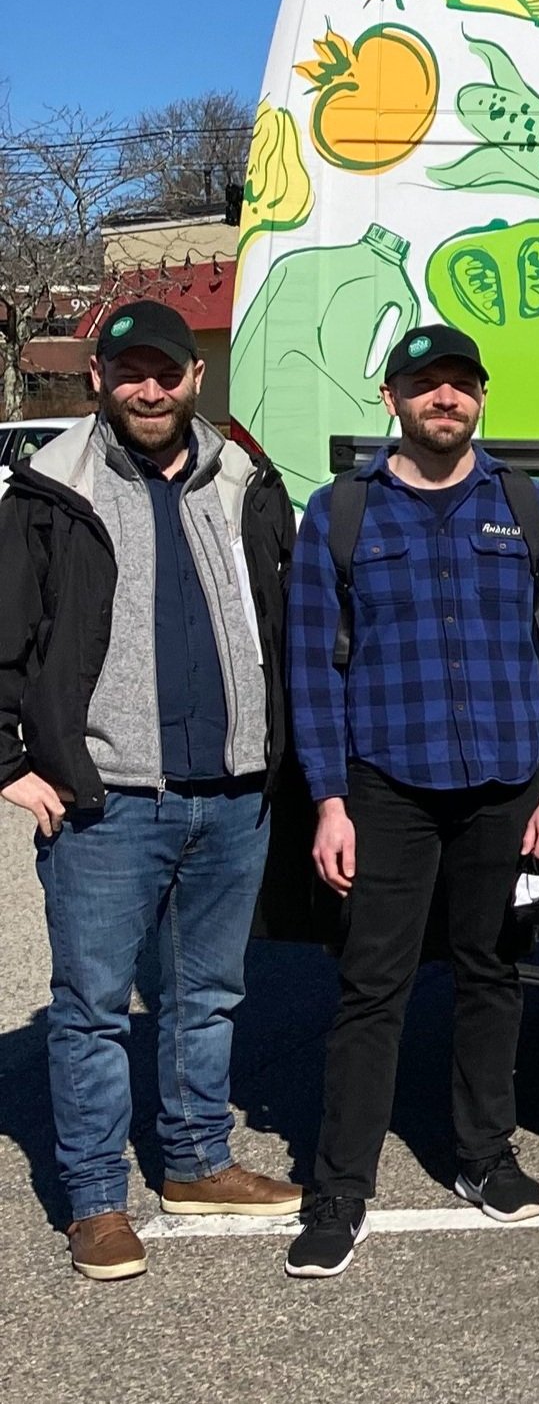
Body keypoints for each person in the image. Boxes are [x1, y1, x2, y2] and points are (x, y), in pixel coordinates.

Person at [281, 324, 539, 1278]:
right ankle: (339, 1188)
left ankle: (483, 1155)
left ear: (481, 398)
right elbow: (311, 671)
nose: (443, 399)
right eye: (425, 385)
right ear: (393, 400)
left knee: (491, 975)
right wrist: (330, 803)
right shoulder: (340, 514)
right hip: (386, 785)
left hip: (505, 785)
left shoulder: (528, 509)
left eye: (459, 384)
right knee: (371, 987)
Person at [0, 301, 300, 1281]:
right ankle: (95, 1200)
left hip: (232, 792)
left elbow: (287, 619)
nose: (150, 387)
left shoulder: (246, 481)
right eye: (129, 370)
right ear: (97, 377)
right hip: (107, 801)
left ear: (193, 378)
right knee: (91, 1006)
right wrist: (14, 764)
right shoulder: (51, 490)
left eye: (165, 369)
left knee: (204, 996)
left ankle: (196, 1162)